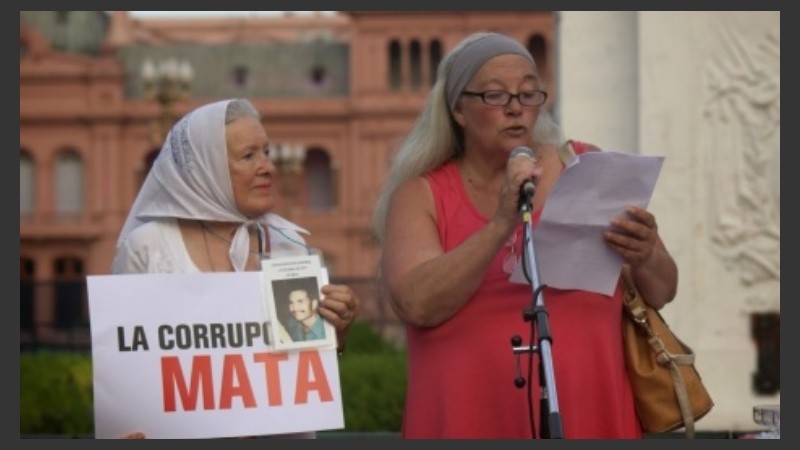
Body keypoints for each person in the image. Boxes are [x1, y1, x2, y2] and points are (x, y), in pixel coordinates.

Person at [373, 32, 678, 439]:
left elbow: (662, 290)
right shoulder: (422, 194)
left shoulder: (584, 166)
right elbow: (416, 304)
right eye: (496, 97)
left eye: (529, 95)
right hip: (470, 419)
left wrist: (645, 254)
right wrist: (502, 223)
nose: (516, 109)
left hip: (589, 411)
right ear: (458, 109)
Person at [112, 98, 360, 439]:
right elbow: (124, 371)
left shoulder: (289, 245)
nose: (268, 168)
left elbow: (303, 366)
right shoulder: (148, 248)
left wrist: (338, 333)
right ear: (205, 168)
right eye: (248, 156)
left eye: (267, 153)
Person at [276, 277, 327, 342]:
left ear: (314, 304)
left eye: (300, 301)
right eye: (291, 303)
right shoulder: (291, 323)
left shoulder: (325, 332)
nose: (294, 308)